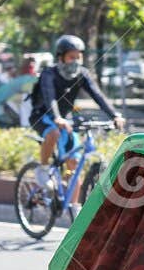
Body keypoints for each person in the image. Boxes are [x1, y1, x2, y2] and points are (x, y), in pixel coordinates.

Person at [27, 35, 123, 185]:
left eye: (79, 57)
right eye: (72, 57)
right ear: (61, 57)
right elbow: (49, 97)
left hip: (65, 119)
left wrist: (115, 115)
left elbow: (97, 95)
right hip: (42, 116)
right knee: (54, 133)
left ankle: (72, 204)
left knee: (74, 165)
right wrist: (57, 117)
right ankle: (43, 169)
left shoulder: (82, 74)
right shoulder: (49, 74)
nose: (76, 61)